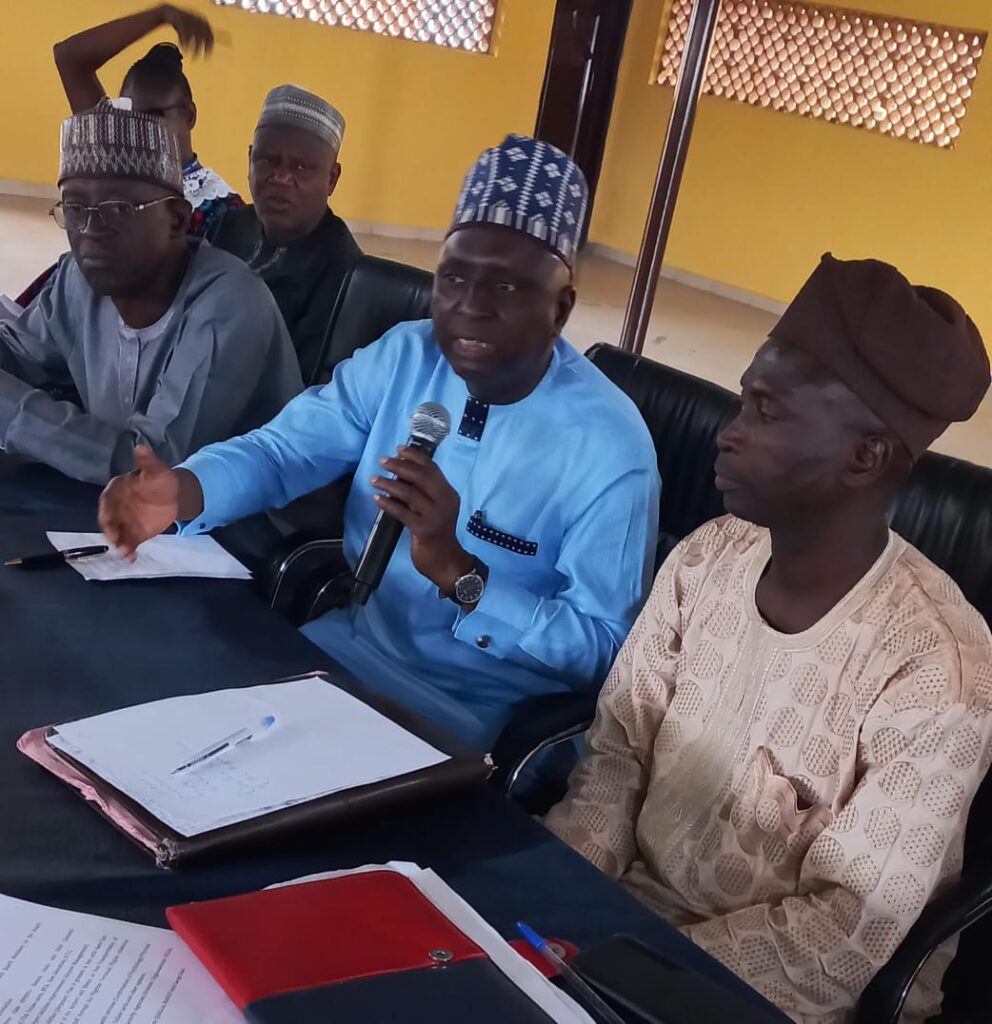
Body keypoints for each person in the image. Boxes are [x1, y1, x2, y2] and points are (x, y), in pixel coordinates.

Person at [99, 134, 660, 750]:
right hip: (347, 649)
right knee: (155, 717)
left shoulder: (610, 448)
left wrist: (461, 573)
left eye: (505, 287)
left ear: (561, 308)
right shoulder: (407, 355)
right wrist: (187, 489)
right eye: (454, 278)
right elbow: (288, 450)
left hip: (479, 718)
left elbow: (606, 650)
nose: (469, 307)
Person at [544, 254, 992, 1023]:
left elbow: (842, 934)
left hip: (764, 996)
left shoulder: (938, 668)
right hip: (607, 930)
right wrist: (558, 906)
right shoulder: (705, 557)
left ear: (865, 455)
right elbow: (616, 756)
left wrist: (625, 964)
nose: (728, 434)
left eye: (765, 410)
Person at [0, 100, 302, 486]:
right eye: (75, 208)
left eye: (118, 209)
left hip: (231, 533)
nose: (91, 230)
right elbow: (18, 350)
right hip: (118, 512)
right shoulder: (79, 280)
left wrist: (12, 411)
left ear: (177, 218)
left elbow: (154, 467)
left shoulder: (230, 305)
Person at [210, 84, 362, 383]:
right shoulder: (228, 225)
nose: (279, 178)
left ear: (331, 179)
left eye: (302, 167)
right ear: (250, 158)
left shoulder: (345, 273)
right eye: (267, 160)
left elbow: (304, 385)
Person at [53, 5, 241, 240]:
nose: (142, 129)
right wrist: (160, 15)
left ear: (189, 115)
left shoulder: (221, 208)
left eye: (156, 116)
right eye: (133, 116)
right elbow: (69, 58)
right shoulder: (114, 153)